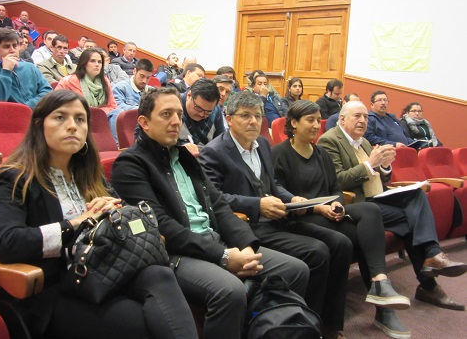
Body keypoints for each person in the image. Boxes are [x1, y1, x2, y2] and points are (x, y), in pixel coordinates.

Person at [0, 89, 198, 339]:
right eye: (60, 117)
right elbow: (8, 243)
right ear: (39, 126)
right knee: (142, 323)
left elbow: (118, 218)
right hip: (58, 287)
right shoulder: (15, 178)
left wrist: (113, 210)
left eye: (80, 119)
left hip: (105, 271)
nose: (72, 126)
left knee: (161, 274)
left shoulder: (90, 175)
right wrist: (75, 224)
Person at [110, 87, 309, 339]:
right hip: (175, 253)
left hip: (215, 241)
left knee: (295, 269)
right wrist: (224, 256)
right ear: (144, 122)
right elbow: (159, 224)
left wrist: (246, 245)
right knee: (230, 291)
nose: (175, 122)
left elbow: (219, 205)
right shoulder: (130, 163)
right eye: (166, 114)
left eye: (179, 116)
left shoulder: (185, 156)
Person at [198, 91, 353, 339]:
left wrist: (291, 198)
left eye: (258, 116)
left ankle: (327, 321)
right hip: (250, 227)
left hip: (279, 218)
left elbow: (273, 185)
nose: (253, 121)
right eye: (245, 115)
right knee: (317, 252)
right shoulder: (214, 151)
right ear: (228, 118)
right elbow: (214, 199)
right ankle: (302, 322)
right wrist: (257, 204)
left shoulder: (263, 145)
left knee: (340, 243)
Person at [271, 100, 411, 339]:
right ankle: (358, 316)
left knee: (370, 211)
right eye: (310, 120)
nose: (317, 125)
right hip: (301, 217)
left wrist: (336, 203)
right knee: (364, 239)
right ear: (293, 123)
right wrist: (320, 208)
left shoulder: (321, 154)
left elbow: (335, 188)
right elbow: (279, 193)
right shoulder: (279, 154)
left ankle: (379, 282)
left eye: (318, 120)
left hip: (328, 212)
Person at [317, 101, 467, 315]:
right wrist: (370, 164)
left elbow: (379, 176)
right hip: (358, 206)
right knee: (409, 221)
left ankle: (432, 263)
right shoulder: (329, 140)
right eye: (357, 116)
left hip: (377, 198)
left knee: (416, 197)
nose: (363, 121)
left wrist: (385, 166)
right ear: (342, 119)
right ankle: (429, 280)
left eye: (365, 117)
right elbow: (337, 181)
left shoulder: (364, 142)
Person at [0, 28, 51, 108]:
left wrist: (26, 107)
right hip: (11, 118)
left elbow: (47, 91)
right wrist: (6, 71)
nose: (12, 50)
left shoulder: (30, 67)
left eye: (15, 46)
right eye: (6, 47)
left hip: (38, 114)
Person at [56, 48, 117, 114]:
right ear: (84, 63)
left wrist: (98, 113)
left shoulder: (105, 80)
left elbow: (112, 106)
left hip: (102, 117)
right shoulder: (68, 81)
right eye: (92, 61)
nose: (97, 64)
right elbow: (56, 105)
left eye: (99, 62)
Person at [178, 78, 224, 157]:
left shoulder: (216, 110)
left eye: (208, 111)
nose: (202, 114)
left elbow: (221, 143)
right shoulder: (174, 106)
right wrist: (180, 149)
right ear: (189, 95)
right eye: (198, 108)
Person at [109, 58, 154, 140]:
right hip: (126, 128)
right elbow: (117, 108)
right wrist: (142, 110)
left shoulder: (152, 91)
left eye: (148, 78)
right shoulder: (120, 87)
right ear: (134, 71)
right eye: (142, 76)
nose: (144, 81)